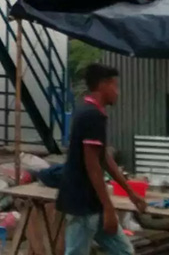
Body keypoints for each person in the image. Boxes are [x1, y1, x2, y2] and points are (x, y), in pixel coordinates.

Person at [56, 63, 147, 255]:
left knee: (124, 251)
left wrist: (130, 192)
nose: (118, 92)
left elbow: (104, 157)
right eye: (115, 86)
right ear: (103, 85)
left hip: (92, 200)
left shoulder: (91, 112)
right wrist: (109, 208)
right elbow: (92, 164)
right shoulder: (91, 116)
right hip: (82, 202)